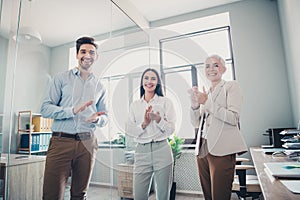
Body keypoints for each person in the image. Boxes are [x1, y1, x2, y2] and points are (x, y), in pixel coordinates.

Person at [41, 36, 108, 200]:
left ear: (96, 57)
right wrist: (72, 110)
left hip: (88, 143)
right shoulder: (61, 78)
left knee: (80, 194)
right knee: (52, 194)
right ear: (77, 55)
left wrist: (97, 119)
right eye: (83, 51)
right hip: (61, 142)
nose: (88, 55)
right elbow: (45, 109)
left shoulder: (100, 85)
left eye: (92, 52)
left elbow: (105, 116)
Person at [189, 54, 247, 200]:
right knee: (208, 196)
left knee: (219, 196)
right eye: (207, 66)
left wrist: (207, 102)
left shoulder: (231, 86)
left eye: (215, 65)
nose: (211, 69)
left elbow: (233, 118)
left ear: (224, 69)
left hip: (222, 150)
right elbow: (196, 123)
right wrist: (195, 106)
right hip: (202, 148)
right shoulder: (206, 92)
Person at [126, 68, 176, 200]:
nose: (149, 81)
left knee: (163, 195)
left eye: (153, 78)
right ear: (142, 82)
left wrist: (159, 120)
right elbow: (130, 131)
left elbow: (171, 130)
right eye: (146, 78)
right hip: (142, 151)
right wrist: (144, 123)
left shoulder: (166, 102)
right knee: (139, 195)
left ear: (158, 82)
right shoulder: (134, 105)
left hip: (162, 149)